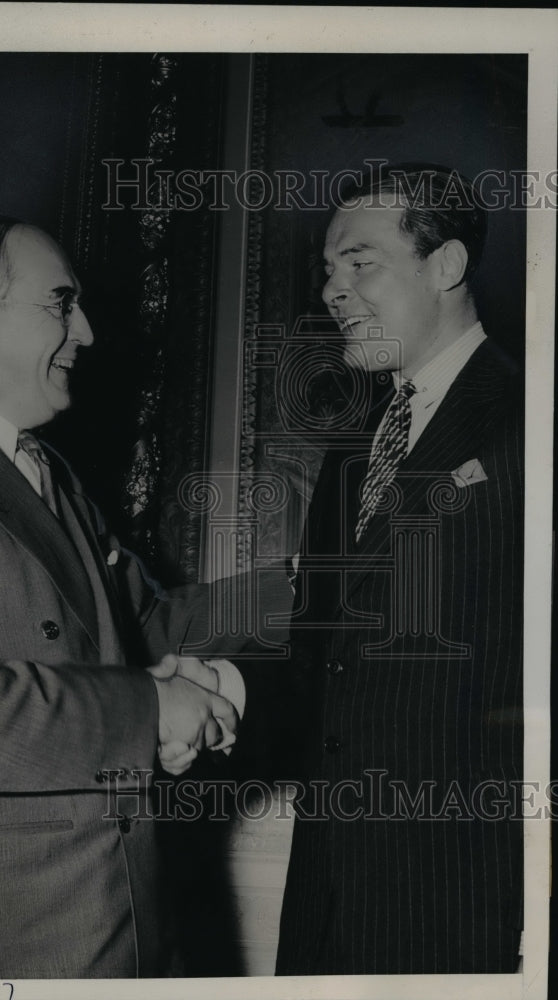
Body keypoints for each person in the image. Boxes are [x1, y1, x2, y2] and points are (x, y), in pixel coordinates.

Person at [0, 216, 251, 979]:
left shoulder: (50, 475)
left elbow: (149, 624)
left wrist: (312, 582)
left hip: (119, 925)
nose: (88, 333)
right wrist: (152, 709)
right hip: (0, 943)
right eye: (61, 305)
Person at [175, 164, 524, 973]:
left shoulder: (528, 421)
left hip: (470, 903)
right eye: (328, 269)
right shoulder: (353, 450)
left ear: (446, 266)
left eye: (360, 262)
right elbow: (321, 661)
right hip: (332, 894)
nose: (333, 290)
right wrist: (222, 687)